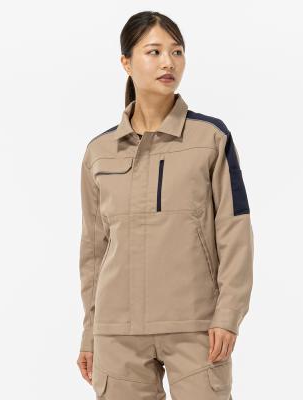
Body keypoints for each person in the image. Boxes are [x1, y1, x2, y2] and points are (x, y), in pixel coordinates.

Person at [76, 11, 254, 400]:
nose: (168, 62)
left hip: (196, 326)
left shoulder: (210, 138)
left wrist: (228, 315)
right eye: (153, 52)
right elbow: (93, 251)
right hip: (117, 333)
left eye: (176, 51)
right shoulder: (99, 152)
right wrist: (91, 332)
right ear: (126, 62)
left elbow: (234, 230)